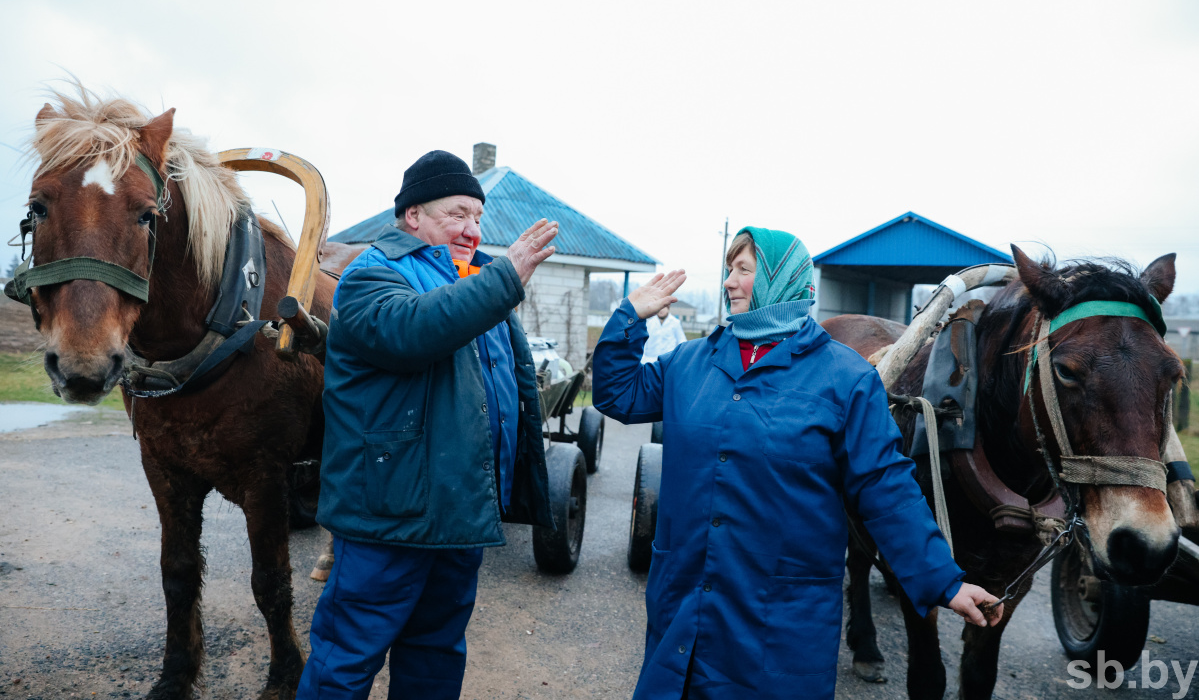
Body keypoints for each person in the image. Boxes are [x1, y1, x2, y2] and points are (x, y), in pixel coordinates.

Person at [591, 226, 1002, 700]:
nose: (729, 282)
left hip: (777, 621)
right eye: (729, 270)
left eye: (743, 270)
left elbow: (885, 487)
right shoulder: (689, 364)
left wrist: (944, 582)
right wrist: (629, 316)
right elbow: (616, 392)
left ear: (781, 281)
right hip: (685, 605)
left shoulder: (843, 378)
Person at [297, 150, 558, 699]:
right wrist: (506, 275)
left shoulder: (478, 279)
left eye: (478, 217)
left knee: (434, 659)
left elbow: (513, 389)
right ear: (413, 215)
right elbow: (414, 330)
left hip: (458, 511)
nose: (472, 229)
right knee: (346, 658)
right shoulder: (374, 273)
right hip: (389, 513)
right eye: (457, 213)